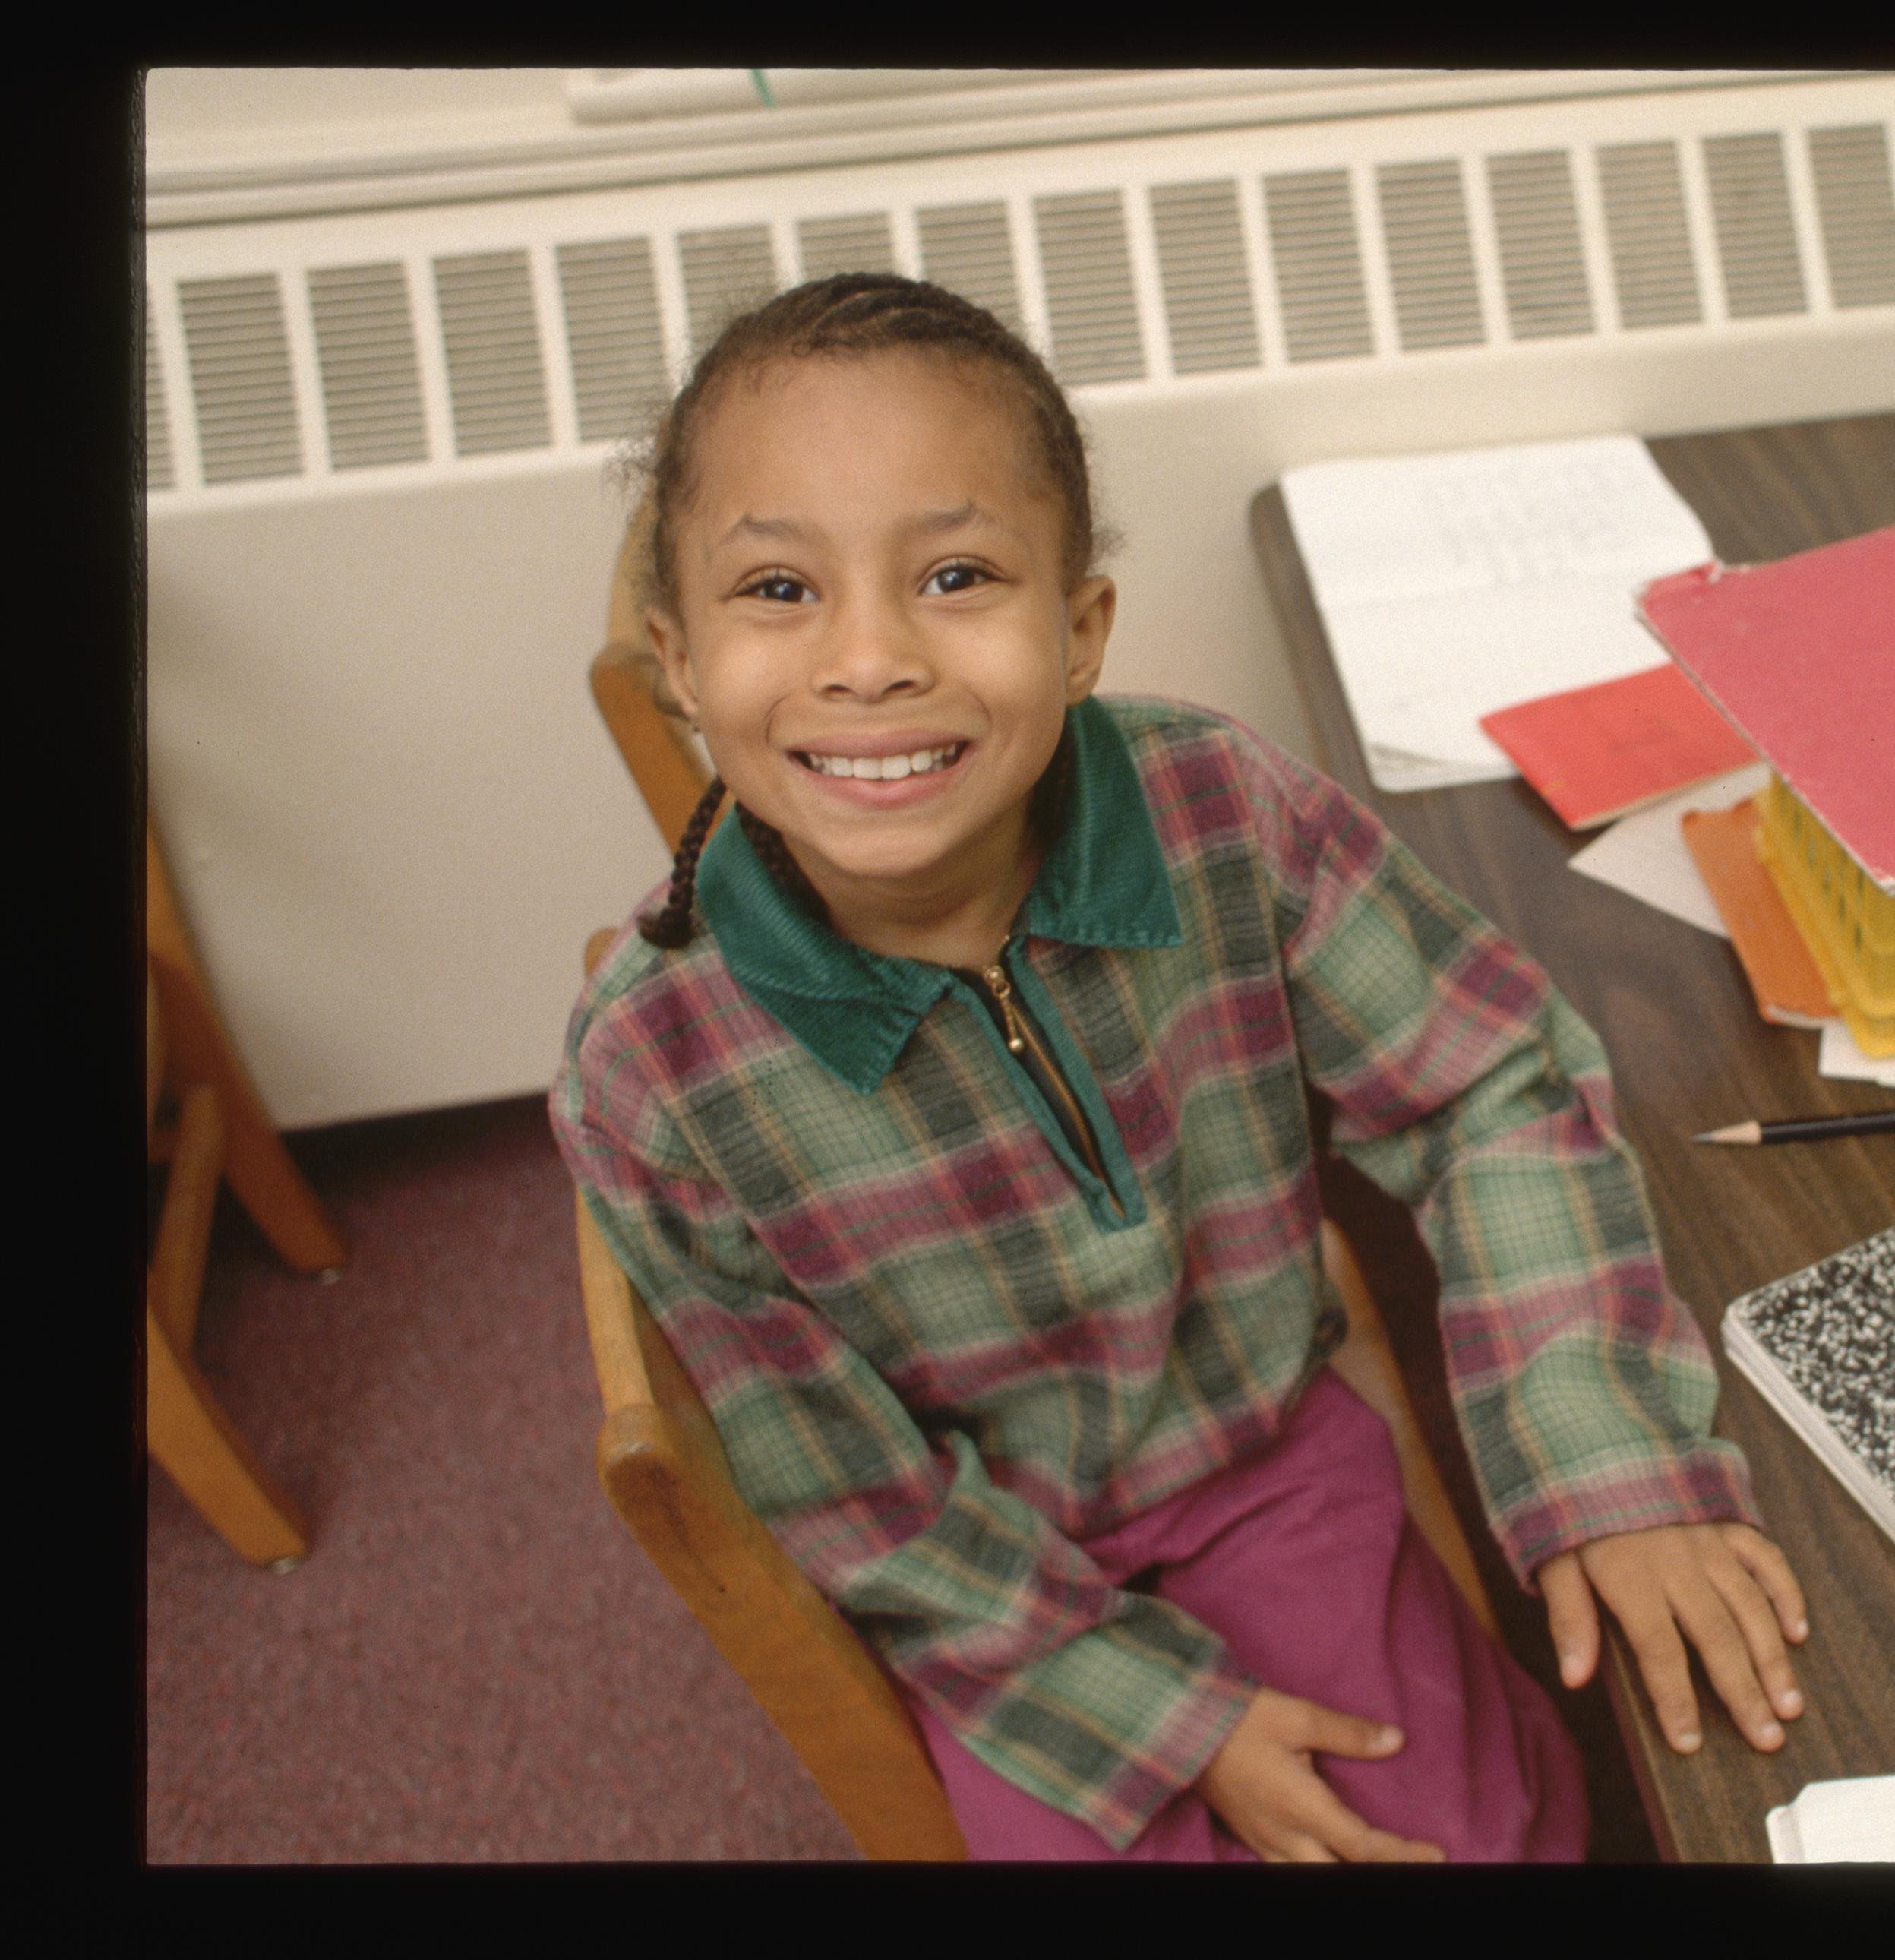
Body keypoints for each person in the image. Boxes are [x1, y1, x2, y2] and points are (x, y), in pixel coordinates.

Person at [551, 273, 1807, 1862]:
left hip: (1267, 1463)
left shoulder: (1220, 808)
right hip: (993, 1592)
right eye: (779, 591)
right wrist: (1166, 1719)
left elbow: (1491, 1081)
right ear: (677, 657)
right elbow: (856, 1499)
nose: (867, 659)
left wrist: (1603, 1455)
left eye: (953, 575)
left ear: (1077, 631)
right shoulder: (654, 1078)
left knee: (1485, 1833)